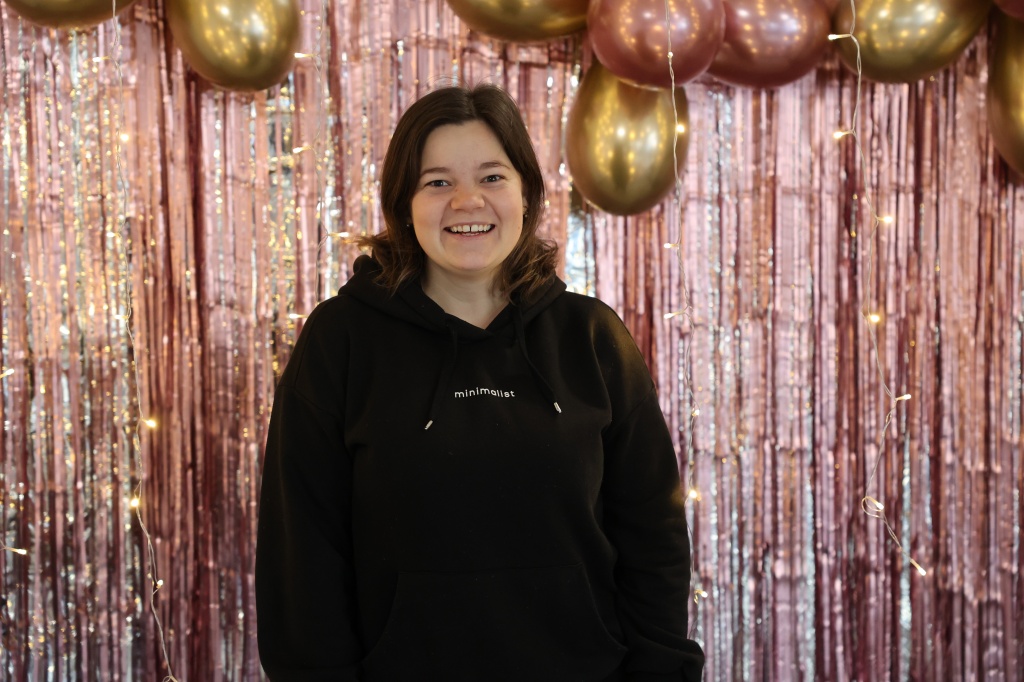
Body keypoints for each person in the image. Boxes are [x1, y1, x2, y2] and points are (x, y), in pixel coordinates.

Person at [255, 82, 705, 681]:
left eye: (492, 177)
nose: (468, 201)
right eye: (438, 182)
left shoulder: (591, 337)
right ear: (403, 203)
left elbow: (654, 537)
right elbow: (302, 549)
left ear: (526, 194)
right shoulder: (341, 339)